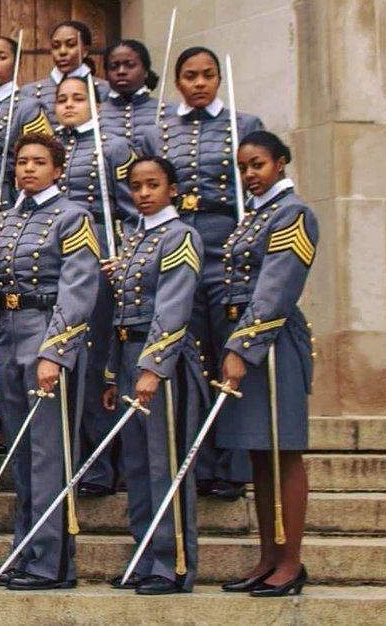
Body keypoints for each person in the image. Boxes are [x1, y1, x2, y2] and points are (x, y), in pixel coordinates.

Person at [142, 46, 264, 500]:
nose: (198, 83)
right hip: (175, 244)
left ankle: (231, 465)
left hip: (223, 243)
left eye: (207, 75)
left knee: (224, 348)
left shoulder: (243, 125)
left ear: (218, 79)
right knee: (182, 352)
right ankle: (193, 460)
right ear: (177, 81)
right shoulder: (160, 132)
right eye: (190, 76)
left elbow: (254, 190)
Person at [0, 132, 100, 590]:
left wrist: (55, 351)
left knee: (49, 454)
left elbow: (78, 290)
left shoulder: (73, 217)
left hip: (46, 333)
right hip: (11, 334)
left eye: (38, 162)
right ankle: (26, 550)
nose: (28, 169)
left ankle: (51, 563)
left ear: (58, 169)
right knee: (22, 455)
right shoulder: (7, 219)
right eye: (22, 162)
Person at [218, 131, 318, 597]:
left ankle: (291, 561)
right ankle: (267, 557)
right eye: (242, 167)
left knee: (284, 451)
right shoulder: (254, 217)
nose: (249, 175)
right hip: (245, 340)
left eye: (257, 164)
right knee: (259, 453)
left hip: (272, 342)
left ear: (281, 163)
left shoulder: (293, 214)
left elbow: (277, 288)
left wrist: (242, 348)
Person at [102, 156, 204, 594]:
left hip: (157, 361)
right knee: (139, 466)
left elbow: (174, 306)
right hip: (127, 353)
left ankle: (173, 563)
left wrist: (153, 367)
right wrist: (112, 374)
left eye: (153, 185)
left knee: (165, 464)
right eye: (137, 186)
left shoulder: (180, 236)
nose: (143, 194)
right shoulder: (134, 239)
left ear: (172, 189)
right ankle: (145, 558)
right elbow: (119, 310)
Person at [54, 76, 137, 497]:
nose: (69, 106)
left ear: (96, 105)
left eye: (78, 99)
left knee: (94, 362)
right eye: (62, 99)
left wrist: (126, 254)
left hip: (99, 259)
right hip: (57, 261)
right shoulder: (50, 145)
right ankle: (70, 460)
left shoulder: (113, 147)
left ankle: (101, 466)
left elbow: (132, 209)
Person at [0, 36, 52, 205]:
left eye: (2, 57)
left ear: (17, 63)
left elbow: (40, 159)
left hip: (5, 195)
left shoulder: (28, 108)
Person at [22, 20, 109, 126]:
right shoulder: (29, 91)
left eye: (71, 45)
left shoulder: (105, 89)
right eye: (56, 46)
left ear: (85, 50)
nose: (62, 51)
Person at [102, 40, 160, 150]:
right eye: (114, 67)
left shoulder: (169, 111)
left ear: (146, 71)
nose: (121, 71)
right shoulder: (95, 115)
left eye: (130, 65)